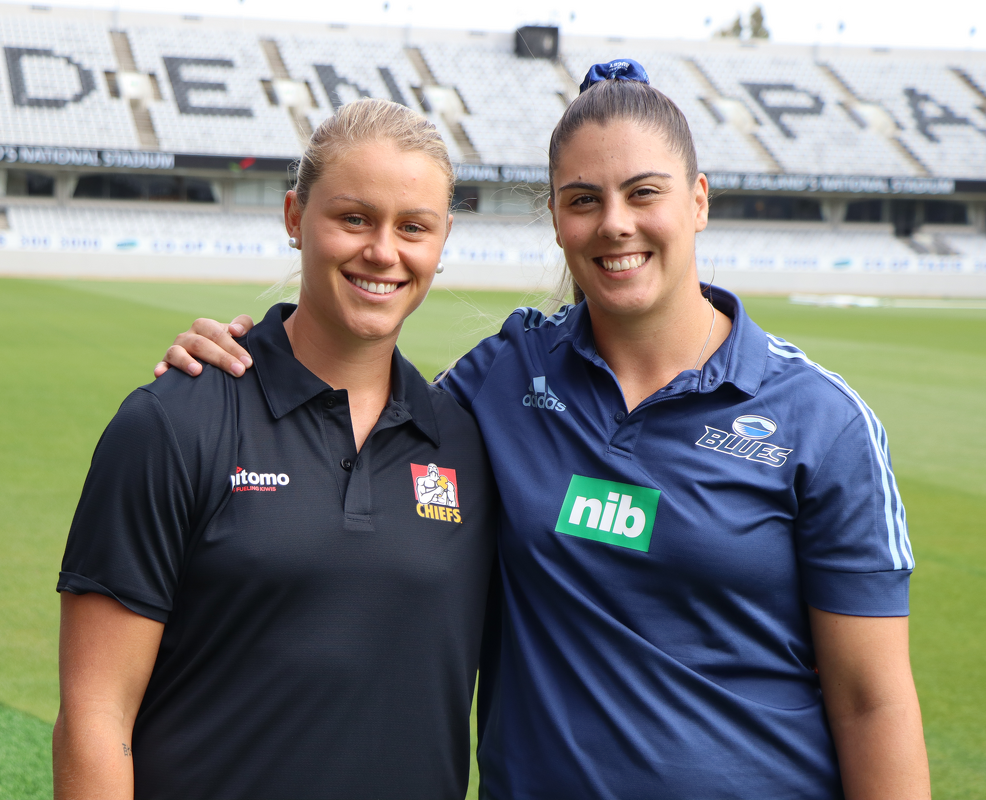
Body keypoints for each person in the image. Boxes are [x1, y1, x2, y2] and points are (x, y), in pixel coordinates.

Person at [156, 61, 931, 799]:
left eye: (644, 193)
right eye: (584, 199)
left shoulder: (823, 423)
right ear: (556, 218)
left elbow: (874, 703)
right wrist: (238, 366)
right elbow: (358, 424)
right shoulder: (504, 377)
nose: (615, 224)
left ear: (697, 200)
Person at [53, 98, 499, 800]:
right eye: (353, 218)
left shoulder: (471, 446)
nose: (383, 251)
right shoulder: (173, 422)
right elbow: (94, 717)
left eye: (413, 227)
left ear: (442, 244)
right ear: (296, 218)